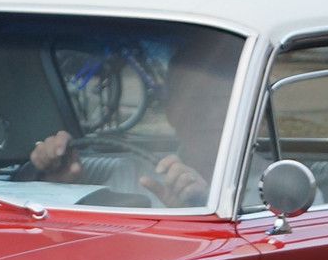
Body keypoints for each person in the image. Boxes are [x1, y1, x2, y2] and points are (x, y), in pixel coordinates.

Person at [27, 40, 236, 207]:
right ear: (172, 111)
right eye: (195, 98)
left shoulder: (265, 191)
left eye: (223, 99)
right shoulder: (132, 176)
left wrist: (200, 205)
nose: (210, 112)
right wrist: (56, 183)